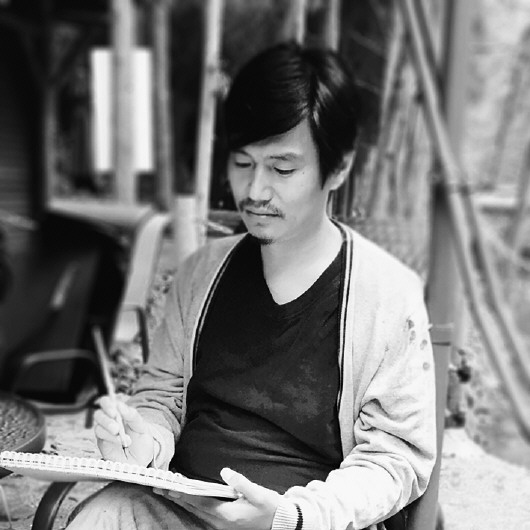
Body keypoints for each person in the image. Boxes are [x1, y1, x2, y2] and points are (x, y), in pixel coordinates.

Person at [66, 42, 436, 530]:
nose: (255, 191)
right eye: (243, 163)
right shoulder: (201, 273)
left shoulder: (387, 295)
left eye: (282, 168)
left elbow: (394, 459)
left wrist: (288, 516)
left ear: (339, 168)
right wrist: (143, 441)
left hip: (306, 522)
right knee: (97, 518)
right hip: (182, 507)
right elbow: (163, 397)